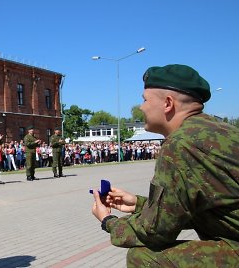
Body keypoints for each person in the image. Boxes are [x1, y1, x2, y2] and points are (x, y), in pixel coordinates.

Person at [91, 64, 239, 267]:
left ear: (168, 103)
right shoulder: (220, 130)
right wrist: (139, 204)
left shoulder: (181, 143)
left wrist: (108, 221)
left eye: (145, 99)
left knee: (144, 257)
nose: (141, 107)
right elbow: (201, 209)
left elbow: (156, 232)